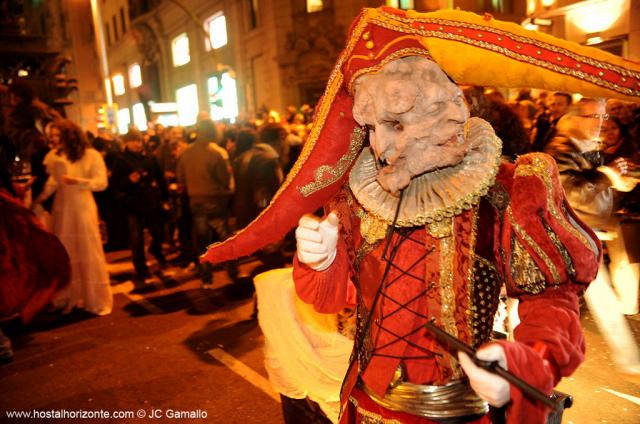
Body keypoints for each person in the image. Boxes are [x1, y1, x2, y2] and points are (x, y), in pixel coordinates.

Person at [202, 7, 640, 424]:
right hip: (366, 406)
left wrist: (523, 362)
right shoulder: (359, 194)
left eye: (393, 125)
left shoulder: (510, 188)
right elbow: (337, 301)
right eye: (371, 128)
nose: (380, 148)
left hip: (464, 412)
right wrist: (322, 262)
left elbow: (552, 300)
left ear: (439, 110)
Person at [32, 119, 112, 316]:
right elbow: (53, 183)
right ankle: (69, 296)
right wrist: (36, 200)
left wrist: (78, 182)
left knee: (88, 250)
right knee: (66, 251)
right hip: (63, 207)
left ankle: (93, 298)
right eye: (52, 136)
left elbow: (101, 183)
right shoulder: (54, 156)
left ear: (70, 135)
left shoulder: (90, 155)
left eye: (58, 136)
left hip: (82, 205)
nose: (54, 140)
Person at [177, 119, 235, 287]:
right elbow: (224, 179)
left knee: (202, 241)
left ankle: (206, 278)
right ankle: (232, 272)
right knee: (224, 238)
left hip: (196, 201)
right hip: (215, 201)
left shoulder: (186, 153)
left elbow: (180, 178)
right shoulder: (216, 152)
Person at [110, 130, 168, 281]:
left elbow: (160, 178)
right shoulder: (121, 160)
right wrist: (129, 180)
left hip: (150, 201)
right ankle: (141, 268)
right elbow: (114, 185)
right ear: (126, 142)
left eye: (139, 140)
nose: (137, 144)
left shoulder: (150, 158)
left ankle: (156, 249)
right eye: (133, 140)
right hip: (132, 204)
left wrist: (165, 197)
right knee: (136, 238)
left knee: (158, 232)